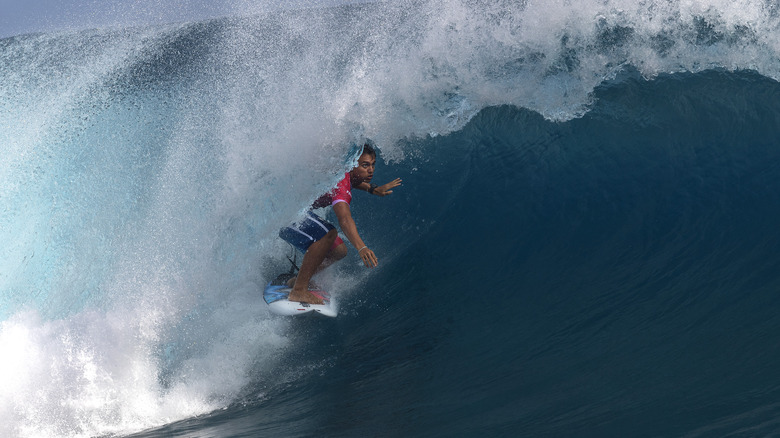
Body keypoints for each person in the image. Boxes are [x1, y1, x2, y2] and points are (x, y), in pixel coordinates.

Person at [279, 144, 402, 304]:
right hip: (283, 213)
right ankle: (299, 291)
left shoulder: (342, 171)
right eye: (365, 165)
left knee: (338, 251)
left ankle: (298, 280)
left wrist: (372, 189)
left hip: (290, 209)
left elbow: (352, 180)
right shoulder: (341, 187)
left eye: (372, 164)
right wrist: (362, 247)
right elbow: (344, 219)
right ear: (352, 165)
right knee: (329, 234)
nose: (371, 170)